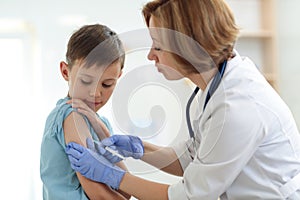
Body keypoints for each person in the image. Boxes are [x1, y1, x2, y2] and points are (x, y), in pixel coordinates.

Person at [65, 0, 300, 199]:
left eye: (158, 46)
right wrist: (138, 148)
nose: (150, 55)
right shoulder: (214, 86)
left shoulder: (238, 106)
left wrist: (112, 176)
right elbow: (192, 158)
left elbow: (189, 195)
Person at [40, 24, 130, 200]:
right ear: (66, 72)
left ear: (118, 76)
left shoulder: (100, 123)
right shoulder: (72, 116)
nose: (95, 93)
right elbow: (100, 195)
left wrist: (102, 130)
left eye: (107, 84)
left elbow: (125, 191)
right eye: (86, 81)